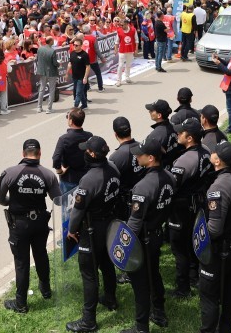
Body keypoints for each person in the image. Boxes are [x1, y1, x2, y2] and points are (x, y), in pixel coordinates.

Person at [0, 139, 61, 313]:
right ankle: (46, 290)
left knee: (22, 262)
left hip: (19, 225)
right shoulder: (48, 175)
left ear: (23, 153)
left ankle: (21, 303)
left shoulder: (9, 173)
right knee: (41, 254)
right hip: (39, 223)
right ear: (40, 153)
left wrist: (13, 201)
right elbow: (58, 199)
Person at [65, 136, 121, 332]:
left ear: (91, 154)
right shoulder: (113, 168)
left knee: (89, 273)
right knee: (106, 264)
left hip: (92, 229)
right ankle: (110, 299)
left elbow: (78, 210)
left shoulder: (89, 179)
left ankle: (88, 321)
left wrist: (72, 230)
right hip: (109, 224)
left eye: (86, 150)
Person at [121, 137, 176, 333]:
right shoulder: (170, 177)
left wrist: (124, 246)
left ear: (151, 158)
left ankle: (141, 327)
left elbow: (135, 223)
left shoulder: (143, 186)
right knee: (154, 273)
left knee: (140, 283)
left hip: (142, 239)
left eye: (140, 154)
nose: (137, 157)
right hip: (156, 234)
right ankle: (159, 312)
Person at [199, 141, 231, 333]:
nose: (211, 153)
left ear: (218, 161)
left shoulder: (219, 187)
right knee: (229, 285)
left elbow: (214, 229)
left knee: (209, 294)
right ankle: (225, 328)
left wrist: (199, 236)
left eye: (214, 152)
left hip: (219, 248)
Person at [169, 117, 212, 297]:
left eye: (181, 132)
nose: (177, 134)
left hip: (182, 207)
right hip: (199, 202)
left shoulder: (185, 161)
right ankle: (194, 276)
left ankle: (183, 287)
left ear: (189, 138)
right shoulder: (206, 150)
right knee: (194, 240)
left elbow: (172, 186)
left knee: (179, 248)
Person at [52, 108, 93, 194]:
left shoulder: (64, 139)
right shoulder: (89, 136)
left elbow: (56, 158)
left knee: (67, 202)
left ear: (71, 121)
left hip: (69, 179)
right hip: (86, 177)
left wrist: (60, 171)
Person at [36, 36, 59, 114]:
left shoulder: (40, 49)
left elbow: (37, 59)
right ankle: (49, 108)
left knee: (42, 89)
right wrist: (59, 64)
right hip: (51, 72)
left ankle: (39, 107)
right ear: (51, 41)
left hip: (42, 72)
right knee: (51, 90)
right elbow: (55, 63)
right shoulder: (52, 51)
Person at [69, 38, 91, 109]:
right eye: (74, 44)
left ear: (81, 46)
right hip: (74, 76)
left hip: (81, 77)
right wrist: (66, 73)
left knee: (78, 93)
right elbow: (70, 63)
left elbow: (88, 67)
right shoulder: (72, 53)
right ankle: (84, 105)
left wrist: (85, 77)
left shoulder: (85, 55)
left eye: (76, 45)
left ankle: (75, 108)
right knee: (79, 92)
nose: (74, 46)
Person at [115, 19, 136, 87]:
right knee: (120, 65)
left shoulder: (133, 30)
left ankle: (127, 77)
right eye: (120, 25)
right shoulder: (119, 31)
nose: (121, 26)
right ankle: (119, 80)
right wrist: (116, 49)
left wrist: (136, 49)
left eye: (122, 25)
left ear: (127, 24)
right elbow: (116, 41)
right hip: (122, 51)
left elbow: (136, 40)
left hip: (130, 50)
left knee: (128, 65)